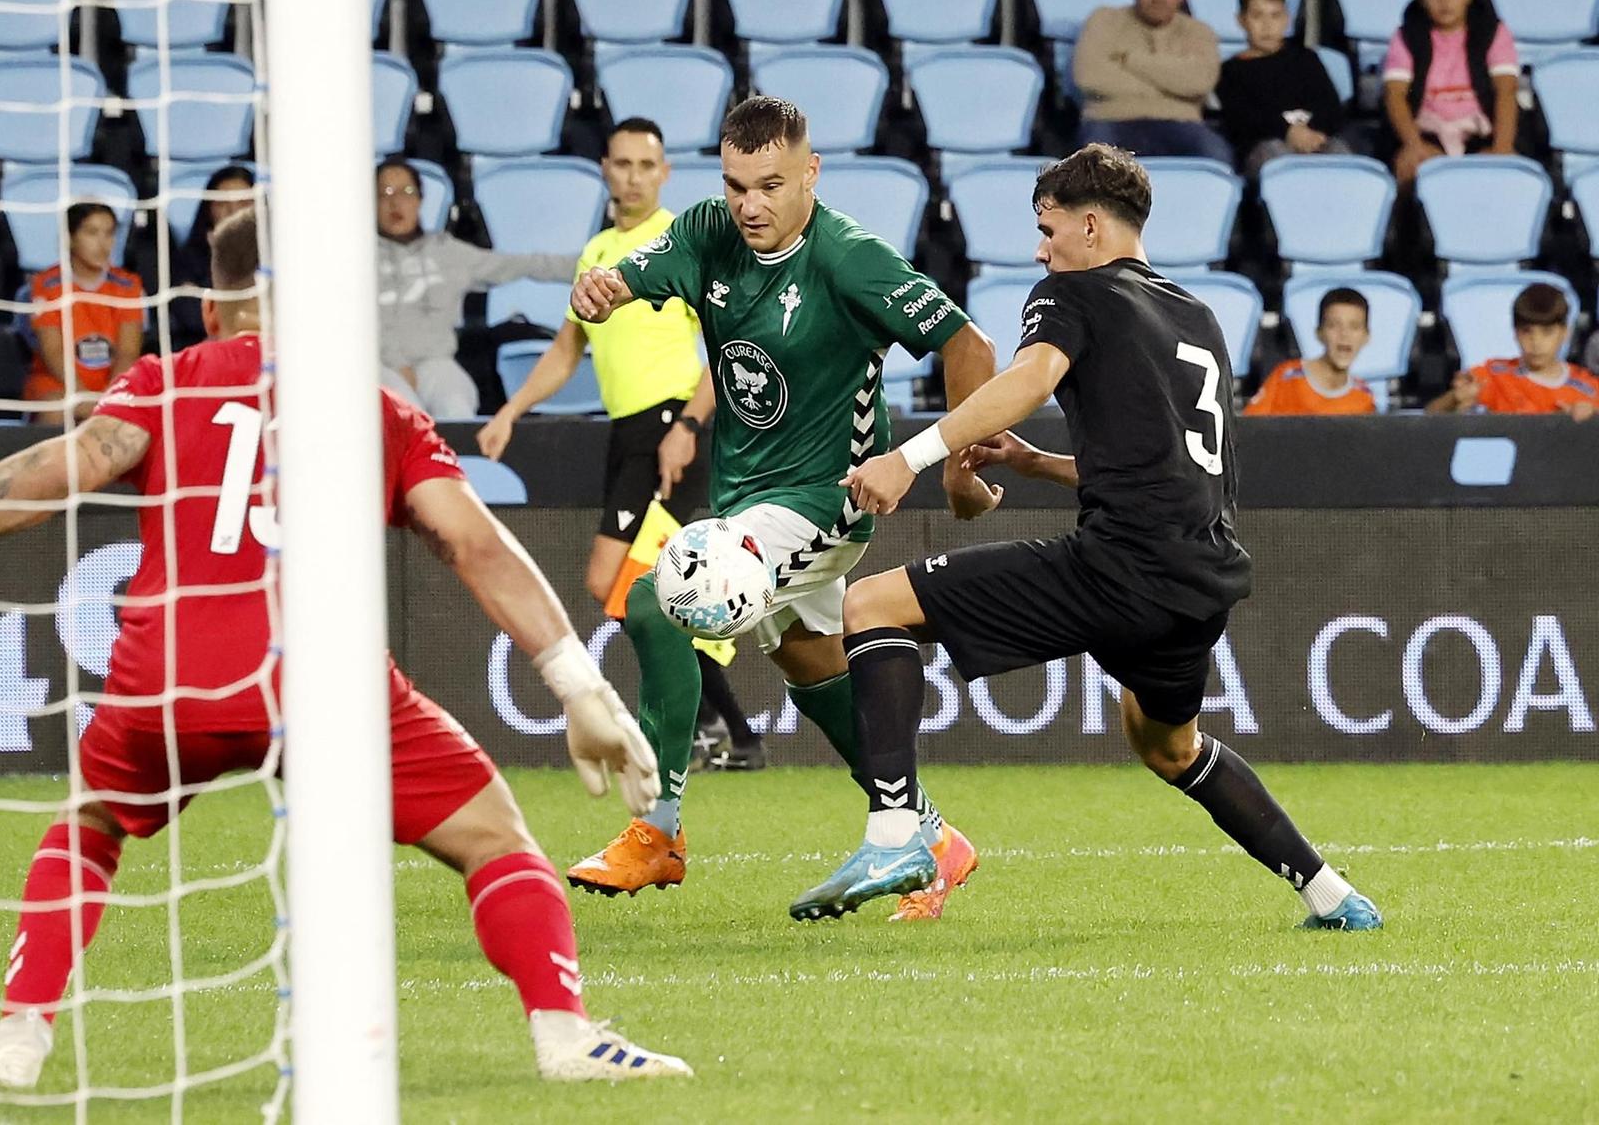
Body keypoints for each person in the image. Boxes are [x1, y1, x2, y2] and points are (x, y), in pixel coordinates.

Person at [0, 206, 690, 1087]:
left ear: (211, 307)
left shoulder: (167, 381)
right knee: (494, 836)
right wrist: (579, 685)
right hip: (326, 685)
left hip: (175, 678)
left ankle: (19, 1037)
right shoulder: (376, 409)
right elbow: (474, 545)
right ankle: (564, 1036)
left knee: (91, 826)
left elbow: (68, 465)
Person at [834, 144, 1383, 931]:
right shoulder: (1197, 316)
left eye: (1047, 228)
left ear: (1090, 226)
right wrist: (1035, 462)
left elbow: (1029, 379)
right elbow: (1175, 469)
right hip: (1199, 581)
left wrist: (906, 458)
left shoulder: (1073, 290)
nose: (1040, 249)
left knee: (870, 605)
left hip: (1120, 567)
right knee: (1170, 748)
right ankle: (1335, 897)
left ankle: (895, 836)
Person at [563, 96, 1000, 922]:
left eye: (769, 185)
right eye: (737, 186)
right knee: (811, 665)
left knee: (659, 596)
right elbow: (630, 276)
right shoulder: (707, 230)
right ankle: (932, 837)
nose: (750, 206)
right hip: (744, 497)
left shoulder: (849, 258)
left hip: (826, 498)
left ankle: (657, 829)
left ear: (810, 174)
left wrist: (953, 467)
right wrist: (602, 290)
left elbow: (967, 344)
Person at [477, 117, 766, 772]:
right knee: (634, 587)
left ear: (664, 173)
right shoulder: (598, 252)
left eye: (646, 165)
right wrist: (511, 411)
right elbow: (566, 349)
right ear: (605, 170)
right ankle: (726, 730)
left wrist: (688, 427)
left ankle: (724, 730)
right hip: (628, 432)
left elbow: (726, 345)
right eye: (623, 163)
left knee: (635, 585)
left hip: (672, 427)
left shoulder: (680, 242)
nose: (634, 176)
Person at [375, 157, 576, 417]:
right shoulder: (354, 257)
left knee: (455, 403)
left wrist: (593, 265)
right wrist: (394, 361)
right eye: (386, 192)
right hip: (379, 365)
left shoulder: (448, 253)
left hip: (435, 363)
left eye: (407, 191)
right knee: (404, 411)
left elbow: (523, 264)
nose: (396, 202)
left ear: (420, 200)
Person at [1072, 0, 1231, 164]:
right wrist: (1170, 85)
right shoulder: (1103, 21)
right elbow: (1088, 76)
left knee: (1216, 155)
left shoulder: (1199, 32)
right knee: (1095, 162)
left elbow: (1200, 82)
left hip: (1182, 125)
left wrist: (1129, 59)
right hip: (1111, 120)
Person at [1382, 0, 1520, 183]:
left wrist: (1502, 147)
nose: (1444, 0)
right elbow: (1395, 95)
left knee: (1503, 173)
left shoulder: (1493, 32)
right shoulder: (1407, 35)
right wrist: (1414, 144)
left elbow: (1506, 90)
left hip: (1481, 131)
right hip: (1427, 131)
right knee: (1411, 166)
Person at [23, 203, 145, 425]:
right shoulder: (46, 285)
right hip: (59, 384)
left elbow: (128, 352)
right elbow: (53, 351)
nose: (103, 243)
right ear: (70, 238)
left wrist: (108, 397)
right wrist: (83, 397)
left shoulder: (128, 285)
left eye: (109, 233)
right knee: (55, 411)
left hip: (113, 384)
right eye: (91, 232)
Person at [1217, 0, 1350, 176]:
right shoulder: (1231, 71)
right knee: (1276, 156)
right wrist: (1288, 132)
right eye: (1257, 16)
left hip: (1314, 137)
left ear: (1287, 19)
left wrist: (1309, 133)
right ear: (1241, 20)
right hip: (1266, 145)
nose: (1267, 25)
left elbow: (1330, 105)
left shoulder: (1306, 59)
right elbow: (1244, 120)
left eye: (1275, 15)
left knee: (1339, 152)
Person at [1427, 282, 1599, 419]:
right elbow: (1430, 416)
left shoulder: (1589, 389)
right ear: (1515, 333)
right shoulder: (1494, 376)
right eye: (1527, 332)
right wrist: (1454, 399)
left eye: (1547, 332)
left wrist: (1590, 421)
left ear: (1565, 333)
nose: (1536, 342)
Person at [160, 164, 259, 353]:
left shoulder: (280, 258)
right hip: (207, 353)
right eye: (222, 204)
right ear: (208, 208)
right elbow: (191, 317)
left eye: (244, 203)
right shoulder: (187, 259)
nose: (233, 212)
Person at [1244, 287, 1377, 416]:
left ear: (1366, 337)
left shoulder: (1364, 396)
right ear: (1319, 333)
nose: (1344, 334)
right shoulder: (1287, 378)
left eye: (1354, 327)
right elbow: (1250, 425)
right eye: (1333, 325)